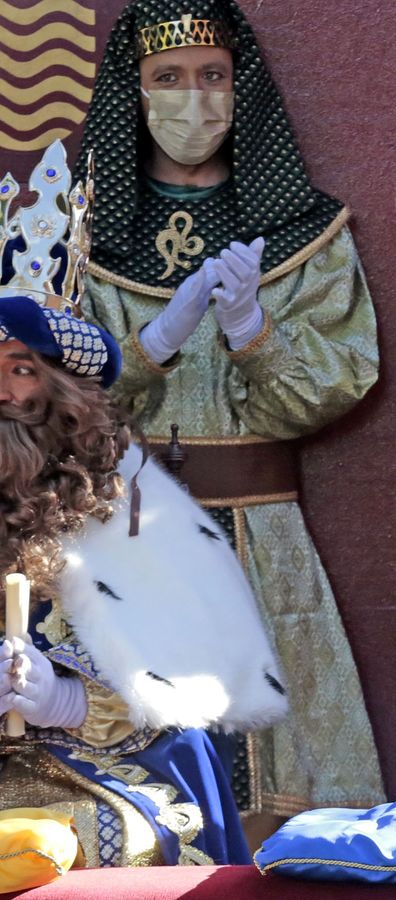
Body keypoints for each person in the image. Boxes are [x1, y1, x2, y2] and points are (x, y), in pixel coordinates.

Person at [75, 0, 384, 818]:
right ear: (131, 93)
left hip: (264, 532)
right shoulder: (82, 235)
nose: (194, 99)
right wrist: (148, 348)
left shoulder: (302, 232)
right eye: (167, 78)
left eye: (214, 76)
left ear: (242, 89)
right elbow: (48, 401)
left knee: (288, 772)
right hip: (124, 527)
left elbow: (342, 380)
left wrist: (255, 332)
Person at [0, 143, 285, 867]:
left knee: (83, 844)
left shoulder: (120, 504)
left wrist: (56, 697)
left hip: (101, 762)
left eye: (22, 370)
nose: (2, 393)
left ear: (61, 391)